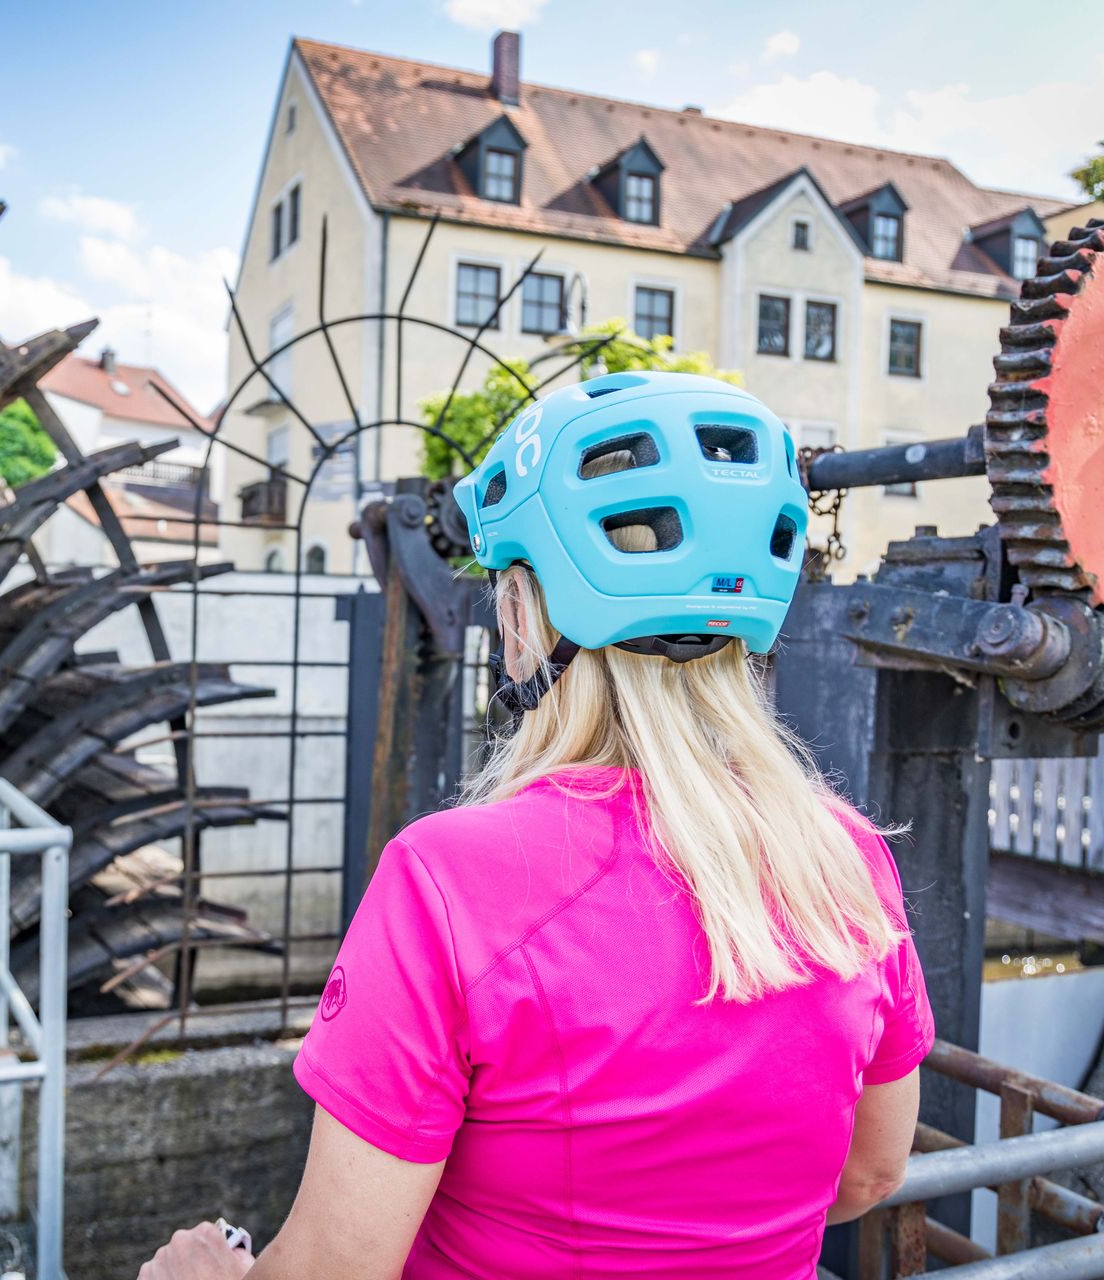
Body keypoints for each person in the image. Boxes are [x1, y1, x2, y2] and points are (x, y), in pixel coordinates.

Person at [140, 372, 933, 1279]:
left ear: (523, 617)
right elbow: (870, 1171)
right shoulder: (845, 859)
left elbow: (336, 1267)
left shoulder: (449, 881)